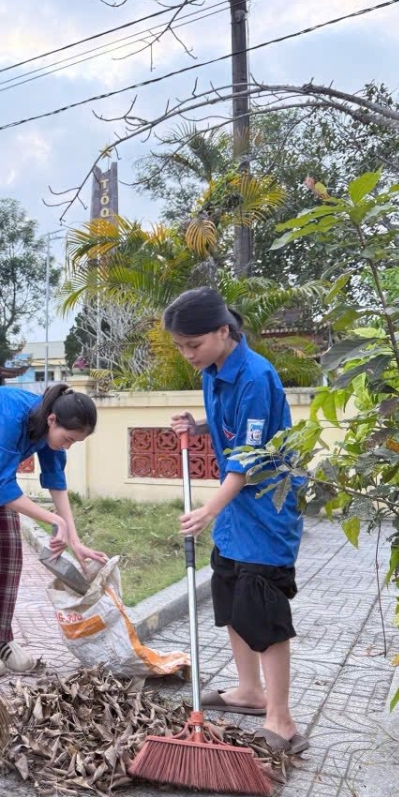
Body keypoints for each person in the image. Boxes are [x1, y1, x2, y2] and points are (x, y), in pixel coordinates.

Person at [164, 287, 308, 755]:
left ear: (223, 331)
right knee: (229, 594)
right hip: (235, 514)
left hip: (265, 508)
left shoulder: (256, 377)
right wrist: (198, 426)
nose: (188, 356)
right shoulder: (213, 369)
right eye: (181, 347)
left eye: (194, 345)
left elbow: (246, 461)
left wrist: (208, 508)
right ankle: (249, 691)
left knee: (262, 609)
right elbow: (226, 424)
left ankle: (282, 720)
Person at [0, 383, 107, 677]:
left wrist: (75, 541)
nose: (67, 446)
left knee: (12, 552)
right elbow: (5, 487)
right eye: (67, 439)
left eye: (73, 443)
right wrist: (55, 522)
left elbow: (55, 480)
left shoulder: (52, 429)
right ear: (52, 420)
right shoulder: (10, 414)